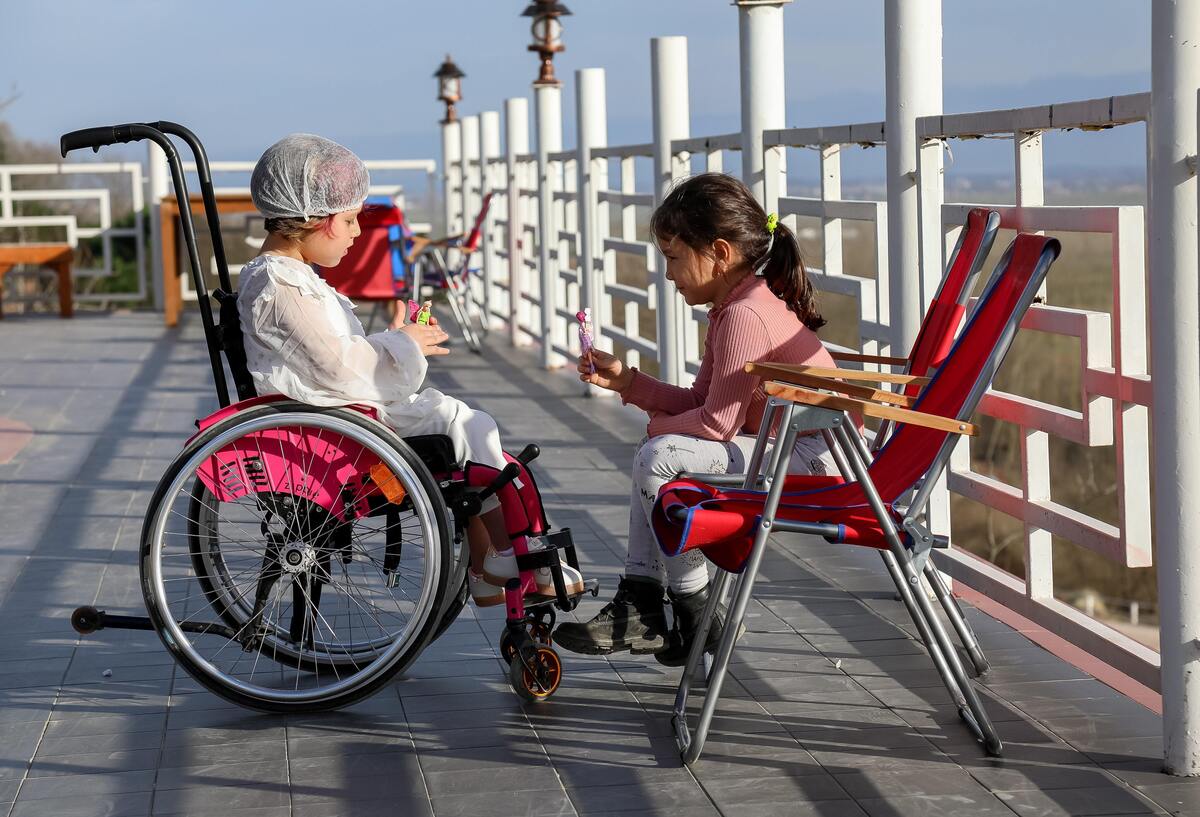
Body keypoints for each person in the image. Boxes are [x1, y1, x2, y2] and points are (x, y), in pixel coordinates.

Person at [237, 133, 583, 606]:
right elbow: (339, 367)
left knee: (467, 437)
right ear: (313, 221)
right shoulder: (280, 283)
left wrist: (397, 342)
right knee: (466, 426)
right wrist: (402, 344)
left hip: (333, 414)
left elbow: (329, 356)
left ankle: (491, 565)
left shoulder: (287, 280)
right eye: (351, 219)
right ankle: (507, 554)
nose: (358, 231)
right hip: (332, 429)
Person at [553, 173, 839, 665]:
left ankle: (691, 608)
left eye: (673, 257)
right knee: (658, 454)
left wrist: (656, 430)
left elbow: (713, 426)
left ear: (720, 253)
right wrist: (627, 382)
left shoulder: (745, 316)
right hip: (785, 448)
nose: (667, 274)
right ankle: (653, 603)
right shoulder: (735, 307)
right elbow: (700, 400)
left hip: (814, 463)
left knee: (659, 455)